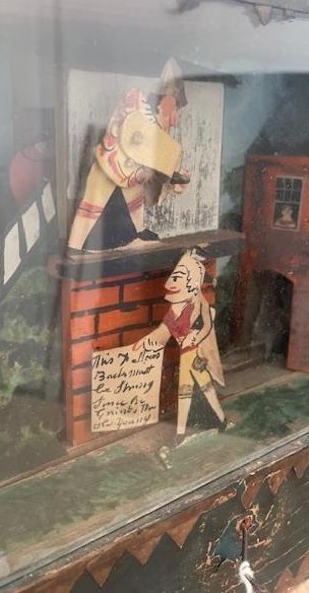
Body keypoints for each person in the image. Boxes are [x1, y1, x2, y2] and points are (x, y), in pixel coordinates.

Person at [68, 59, 189, 252]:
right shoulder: (137, 105)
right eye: (175, 110)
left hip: (129, 172)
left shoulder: (156, 124)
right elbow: (137, 140)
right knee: (94, 202)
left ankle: (137, 231)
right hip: (111, 165)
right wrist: (168, 171)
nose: (175, 120)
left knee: (134, 199)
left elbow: (153, 172)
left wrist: (171, 179)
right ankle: (77, 245)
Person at [134, 249, 226, 446]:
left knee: (198, 391)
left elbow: (207, 326)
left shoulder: (199, 303)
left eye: (179, 277)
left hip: (194, 354)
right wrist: (145, 343)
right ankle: (190, 429)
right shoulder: (175, 310)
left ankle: (194, 428)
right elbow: (163, 331)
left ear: (191, 282)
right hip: (187, 355)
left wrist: (196, 336)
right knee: (193, 392)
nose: (171, 283)